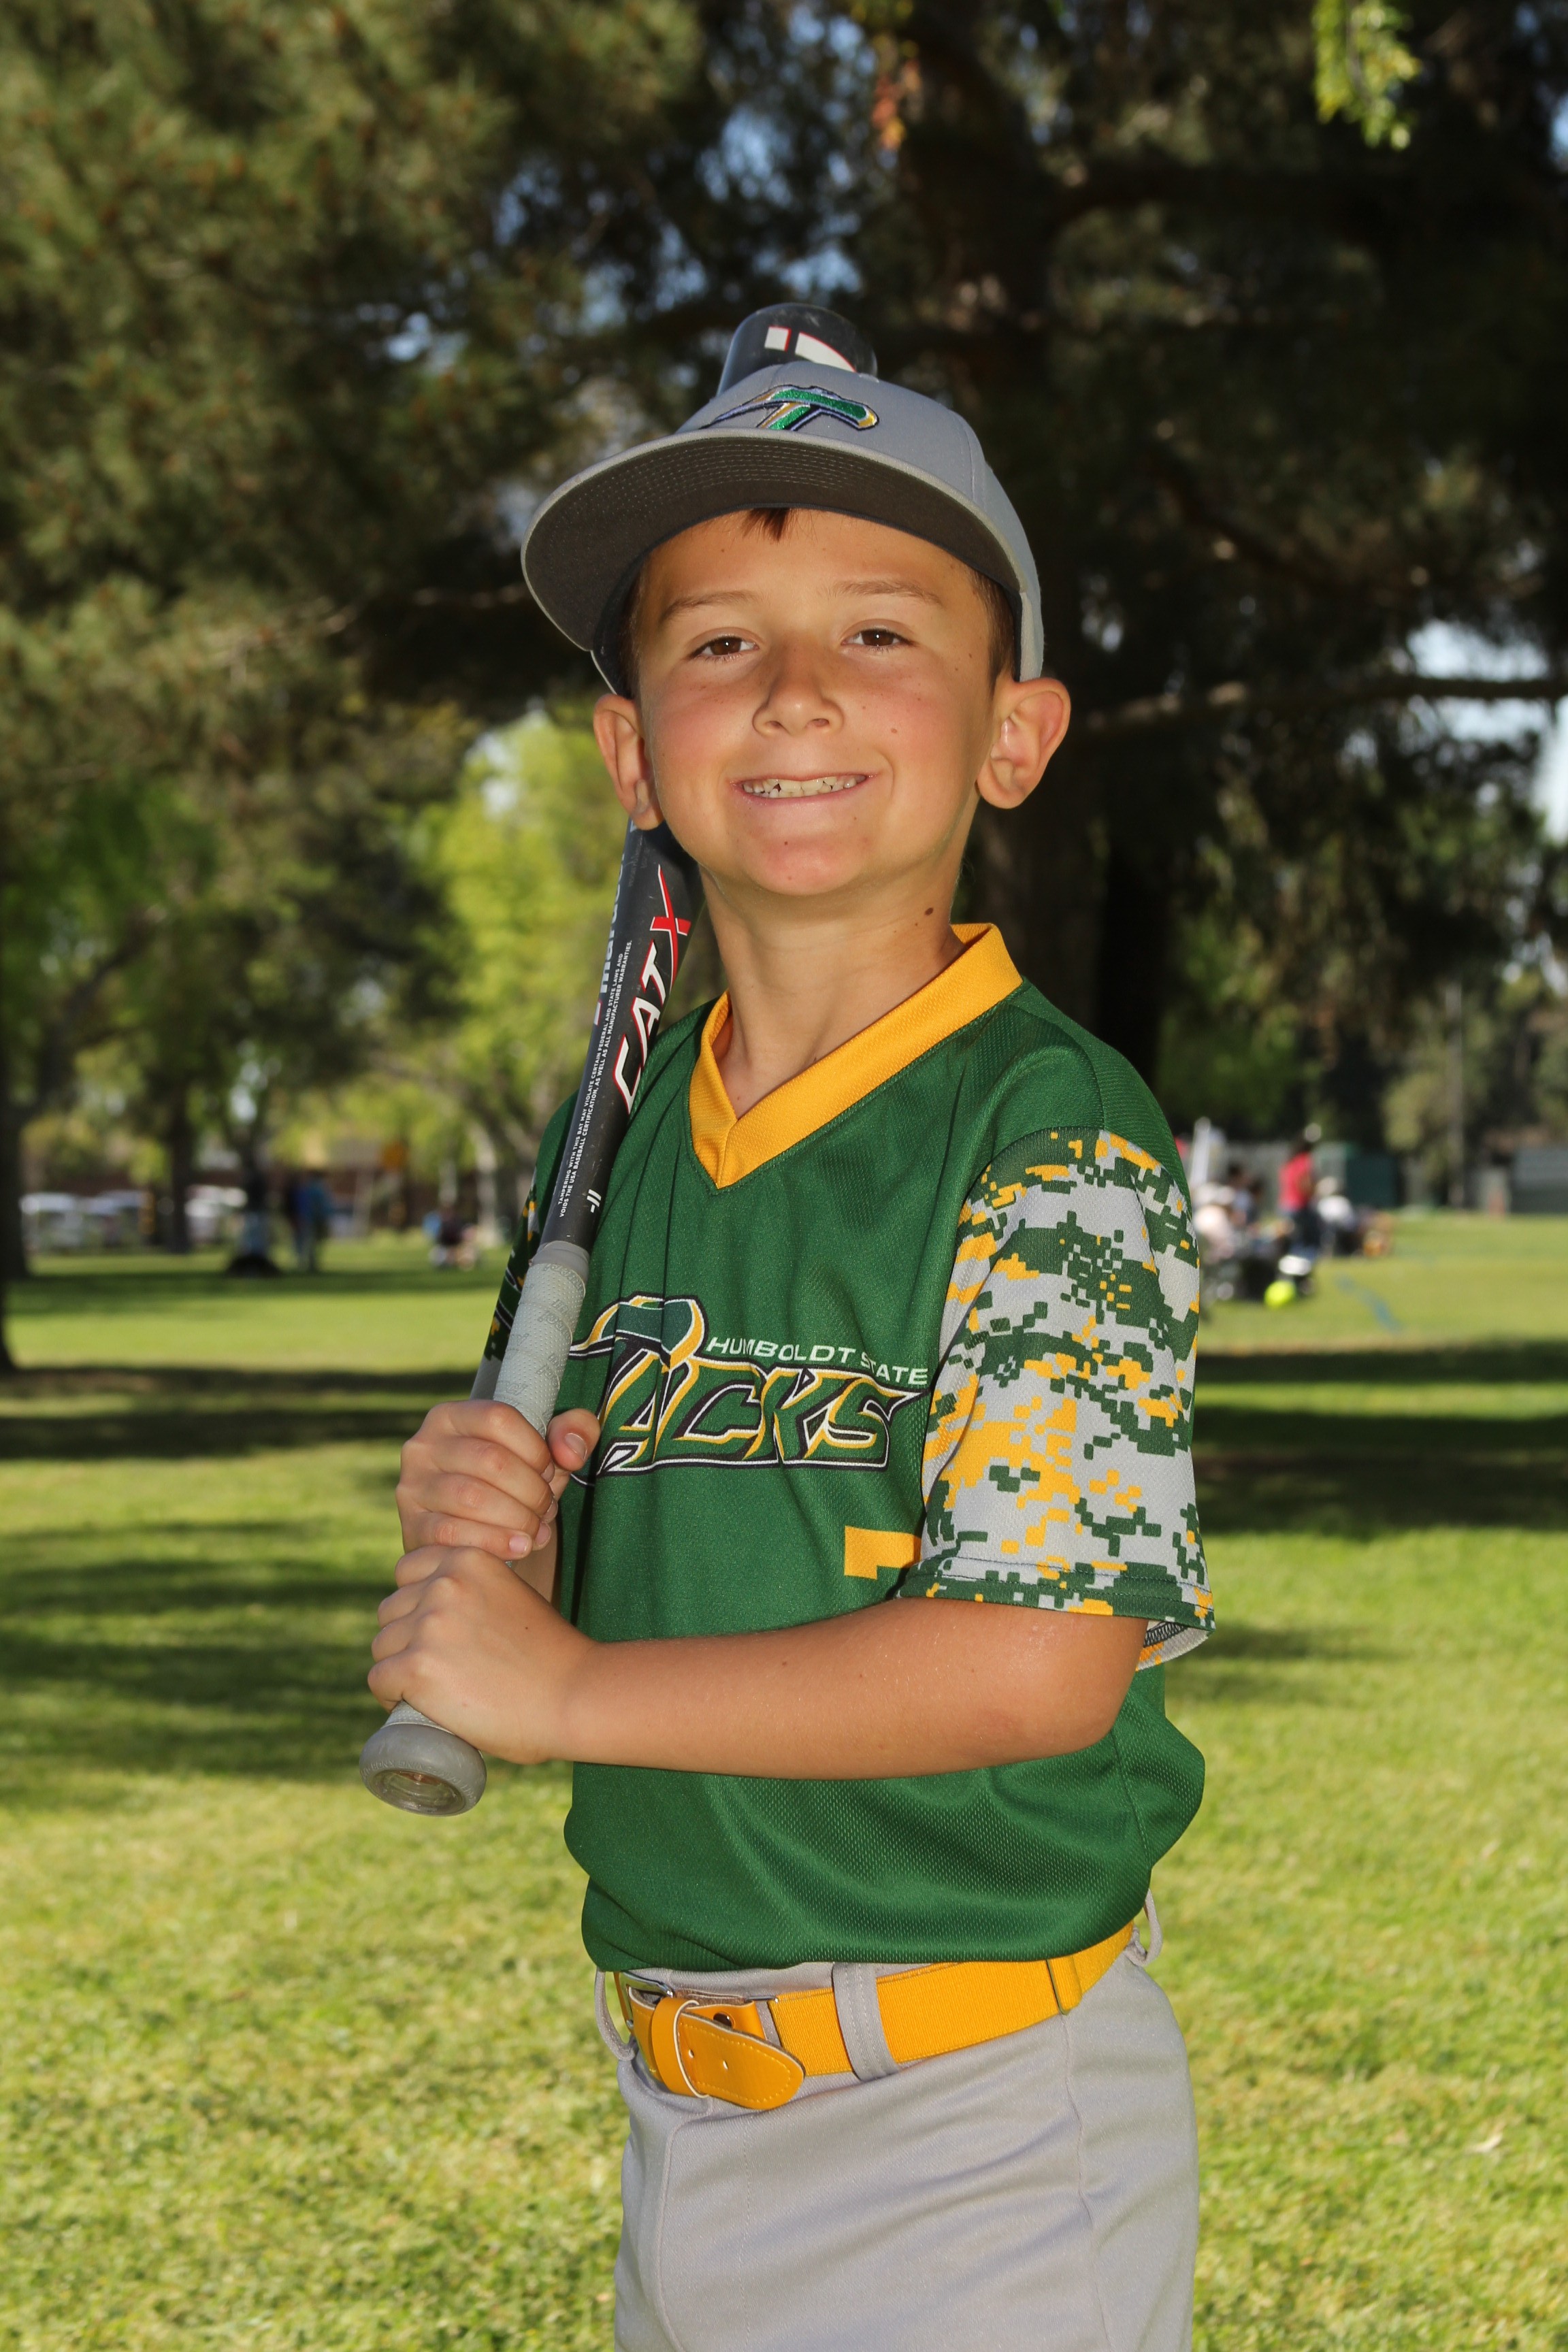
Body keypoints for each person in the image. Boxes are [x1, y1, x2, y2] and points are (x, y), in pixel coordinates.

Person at [371, 305, 1214, 2352]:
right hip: (682, 2110)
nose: (796, 691)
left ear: (1014, 734)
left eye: (882, 631)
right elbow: (652, 1554)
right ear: (632, 750)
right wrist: (509, 1533)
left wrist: (566, 1689)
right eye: (721, 641)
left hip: (976, 2132)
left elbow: (1035, 1662)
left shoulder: (1052, 1132)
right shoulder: (631, 1132)